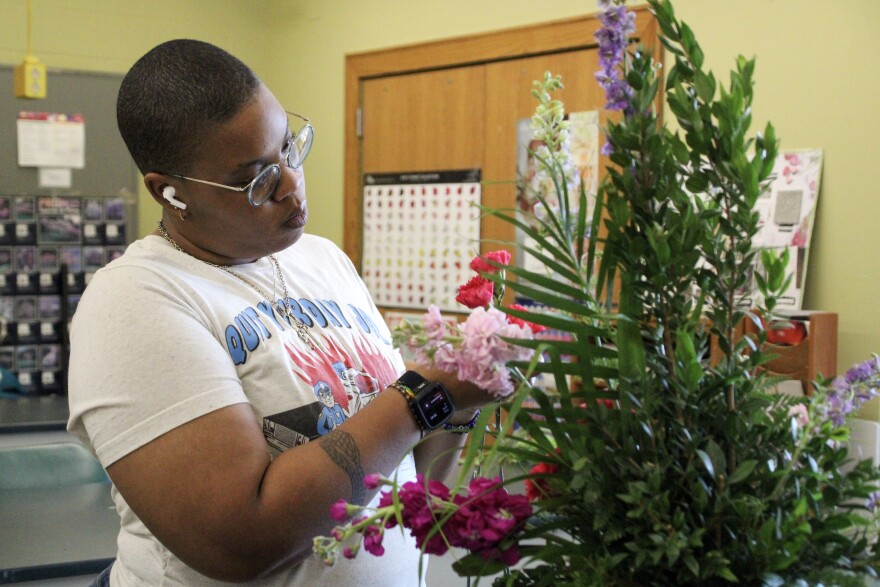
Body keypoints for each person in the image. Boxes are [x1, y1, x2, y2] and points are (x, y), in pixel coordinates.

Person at [67, 39, 493, 586]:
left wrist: (461, 394)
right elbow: (243, 540)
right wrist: (422, 397)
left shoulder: (324, 260)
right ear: (169, 192)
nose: (291, 184)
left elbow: (408, 480)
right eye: (256, 178)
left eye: (290, 149)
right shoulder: (134, 301)